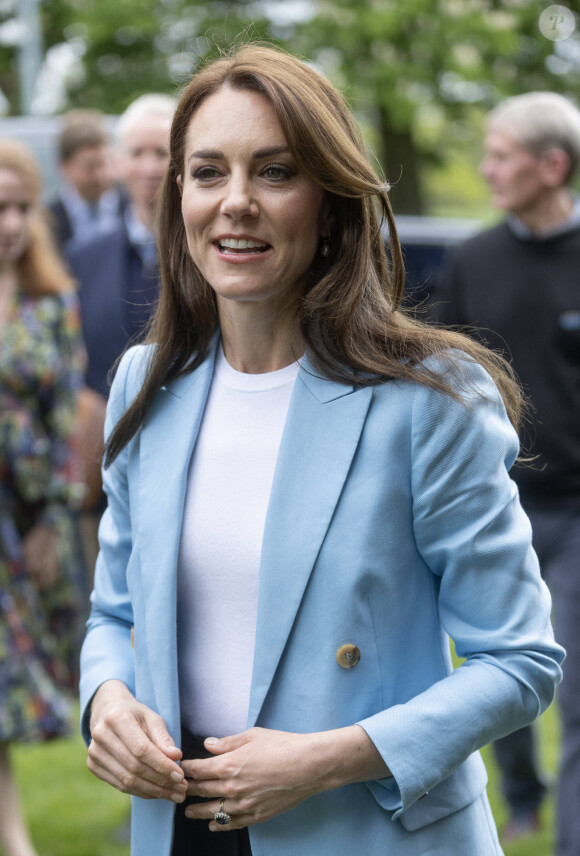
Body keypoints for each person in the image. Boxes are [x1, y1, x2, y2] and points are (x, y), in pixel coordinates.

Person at [79, 46, 564, 856]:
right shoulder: (144, 381)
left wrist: (326, 759)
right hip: (182, 830)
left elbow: (518, 661)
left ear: (332, 203)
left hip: (367, 827)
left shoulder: (430, 398)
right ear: (177, 198)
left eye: (274, 172)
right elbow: (113, 613)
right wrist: (107, 701)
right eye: (207, 172)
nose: (235, 203)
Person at [437, 91, 580, 855]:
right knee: (496, 678)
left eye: (501, 155)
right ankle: (522, 796)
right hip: (493, 509)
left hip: (578, 515)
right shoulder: (473, 257)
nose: (487, 168)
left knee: (579, 696)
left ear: (551, 165)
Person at [0, 140, 85, 856]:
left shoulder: (50, 302)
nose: (10, 221)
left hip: (21, 515)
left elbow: (63, 424)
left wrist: (54, 521)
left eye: (21, 206)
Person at [65, 94, 175, 582]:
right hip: (105, 480)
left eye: (162, 152)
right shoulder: (81, 258)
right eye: (136, 152)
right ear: (116, 163)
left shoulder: (217, 253)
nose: (148, 166)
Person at [46, 109, 125, 250]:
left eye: (104, 164)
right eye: (90, 167)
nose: (100, 176)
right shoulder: (49, 221)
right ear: (64, 166)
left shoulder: (131, 209)